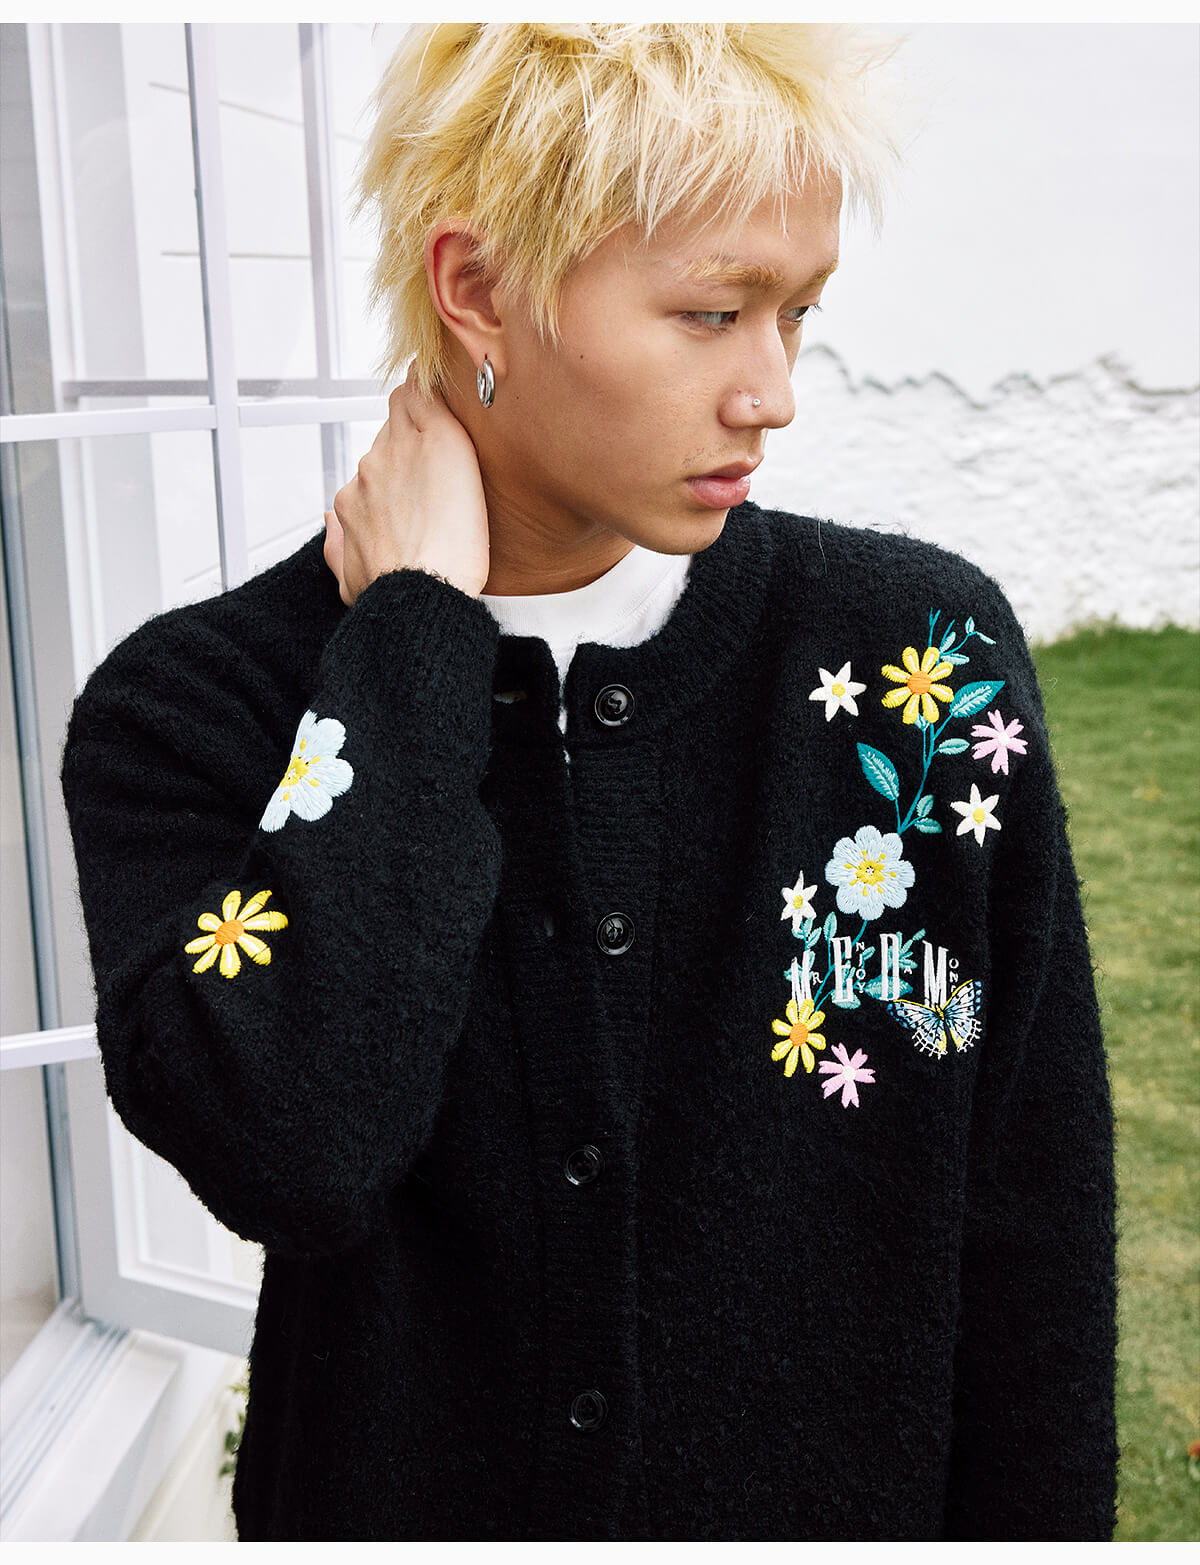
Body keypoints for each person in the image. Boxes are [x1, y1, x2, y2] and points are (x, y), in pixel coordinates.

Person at [61, 23, 1117, 1541]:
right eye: (711, 313)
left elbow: (1033, 1221)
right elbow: (294, 1147)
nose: (772, 393)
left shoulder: (922, 663)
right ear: (478, 287)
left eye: (798, 314)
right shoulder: (195, 709)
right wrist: (415, 643)